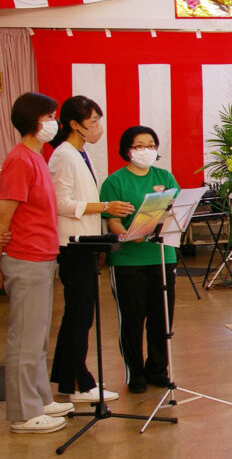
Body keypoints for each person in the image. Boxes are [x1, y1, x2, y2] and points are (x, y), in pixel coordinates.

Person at [48, 96, 134, 403]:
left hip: (85, 242)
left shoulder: (80, 153)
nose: (98, 127)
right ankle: (79, 382)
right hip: (73, 244)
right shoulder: (63, 155)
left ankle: (67, 378)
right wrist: (105, 206)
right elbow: (60, 203)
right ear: (75, 124)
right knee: (79, 315)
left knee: (80, 314)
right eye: (93, 121)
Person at [0, 92, 75, 433]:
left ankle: (40, 397)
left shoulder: (36, 156)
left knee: (39, 336)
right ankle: (22, 413)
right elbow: (6, 212)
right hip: (26, 256)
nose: (54, 123)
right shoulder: (19, 160)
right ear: (34, 120)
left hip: (43, 255)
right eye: (49, 117)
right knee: (25, 338)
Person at [99, 126, 179, 394]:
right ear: (127, 150)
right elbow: (112, 222)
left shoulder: (164, 177)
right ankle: (134, 372)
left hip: (162, 256)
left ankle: (157, 369)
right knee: (132, 320)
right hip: (128, 261)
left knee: (161, 318)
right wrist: (127, 235)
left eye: (151, 145)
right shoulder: (115, 182)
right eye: (139, 146)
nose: (146, 151)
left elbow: (175, 210)